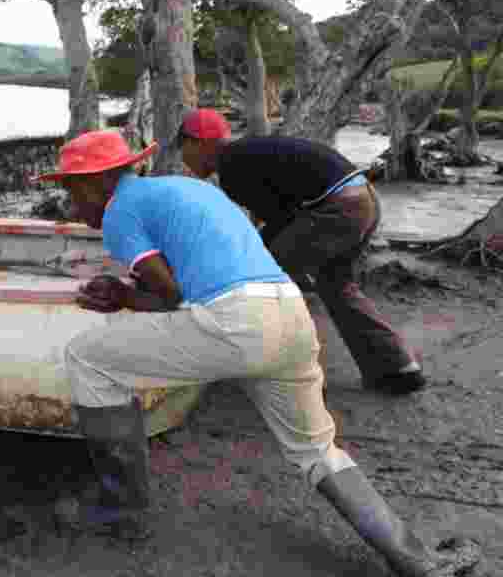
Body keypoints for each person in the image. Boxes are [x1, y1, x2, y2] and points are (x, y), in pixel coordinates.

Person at [35, 129, 479, 577]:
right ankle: (420, 566)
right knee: (316, 451)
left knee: (88, 358)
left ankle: (121, 508)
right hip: (289, 315)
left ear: (94, 183)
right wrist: (132, 295)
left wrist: (123, 297)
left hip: (236, 323)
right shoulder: (190, 189)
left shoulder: (120, 211)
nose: (72, 204)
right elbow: (195, 276)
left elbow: (173, 295)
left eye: (72, 191)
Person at [177, 108, 426, 395]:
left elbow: (279, 221)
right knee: (336, 285)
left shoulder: (231, 165)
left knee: (263, 281)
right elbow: (280, 216)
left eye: (183, 148)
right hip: (363, 199)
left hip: (337, 209)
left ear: (198, 142)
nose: (184, 159)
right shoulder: (247, 153)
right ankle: (397, 368)